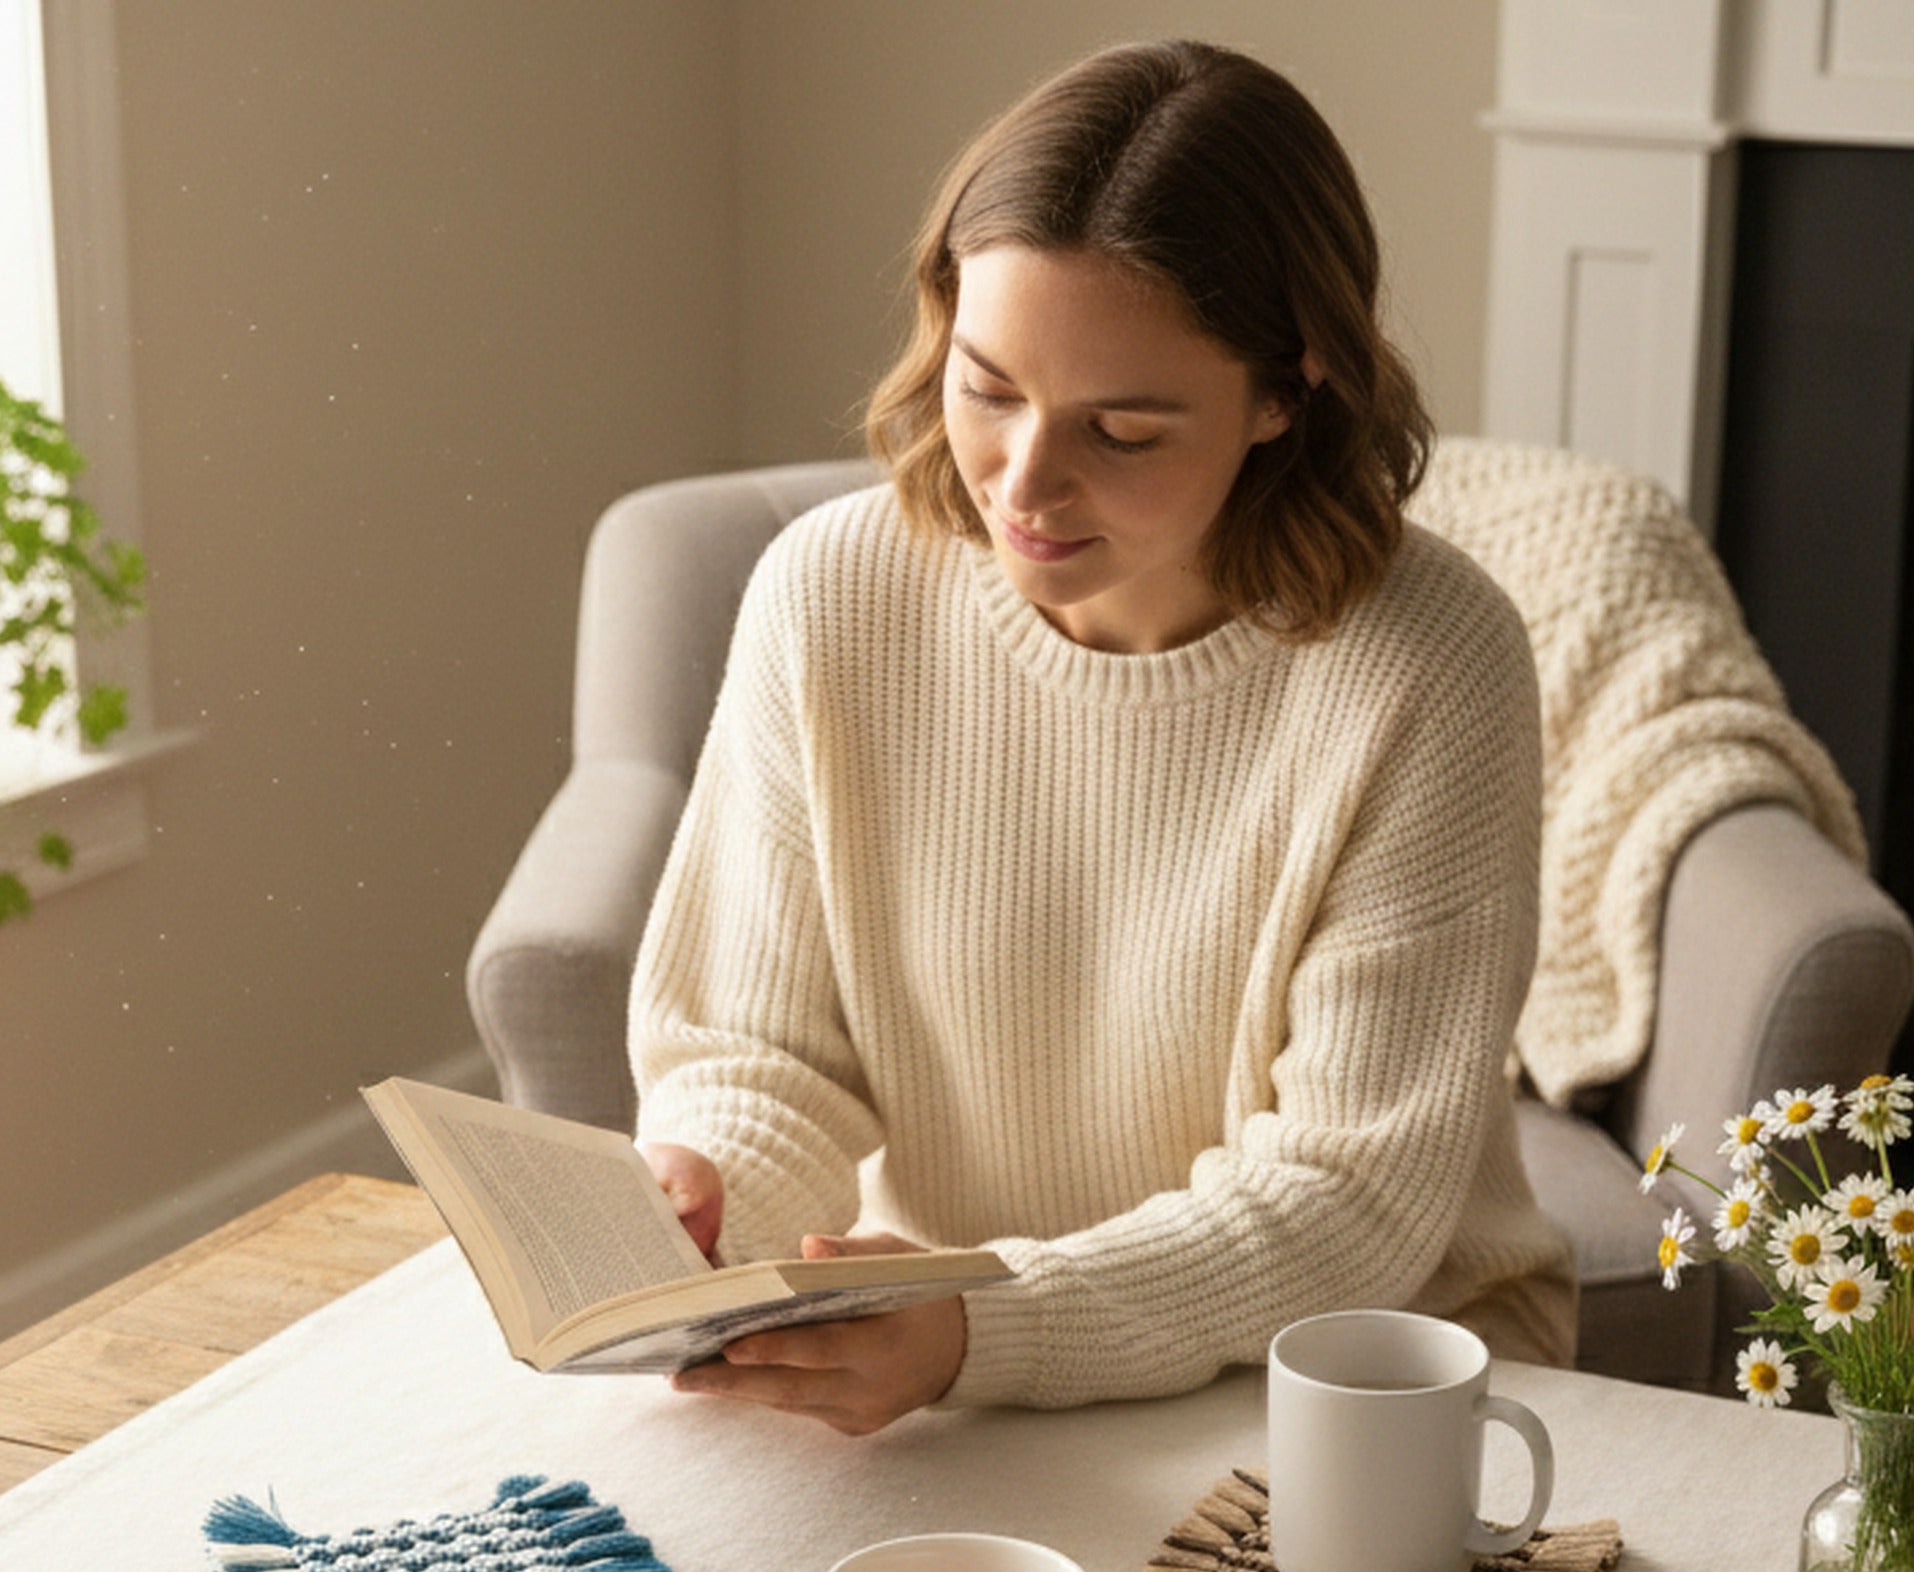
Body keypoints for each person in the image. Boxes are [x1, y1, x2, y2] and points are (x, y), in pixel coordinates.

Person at [630, 38, 1576, 1436]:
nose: (1025, 484)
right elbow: (758, 1055)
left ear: (1287, 391)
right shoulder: (829, 595)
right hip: (951, 1351)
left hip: (1363, 1372)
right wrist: (713, 1188)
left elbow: (1350, 1199)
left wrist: (989, 1322)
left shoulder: (1430, 663)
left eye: (1122, 430)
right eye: (987, 387)